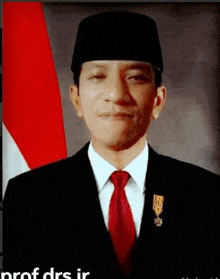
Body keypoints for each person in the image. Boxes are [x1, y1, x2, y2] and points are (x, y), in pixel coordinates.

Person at [3, 11, 220, 279]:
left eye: (136, 77)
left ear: (158, 100)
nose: (116, 95)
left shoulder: (208, 197)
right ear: (77, 99)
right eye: (97, 77)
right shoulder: (29, 199)